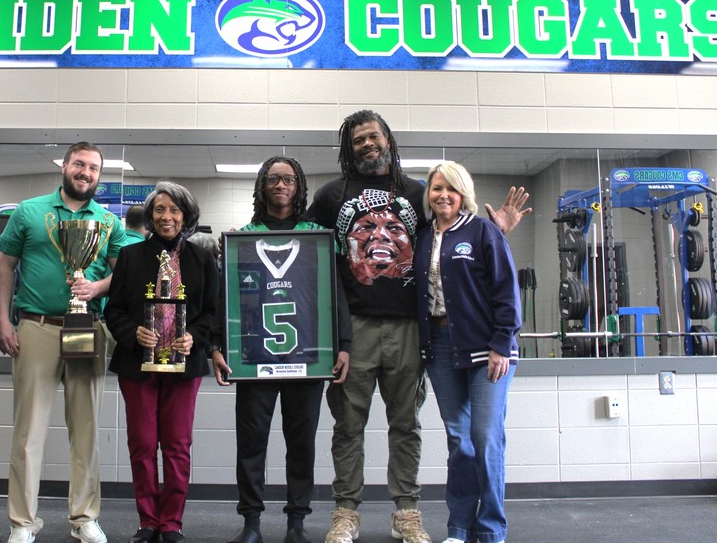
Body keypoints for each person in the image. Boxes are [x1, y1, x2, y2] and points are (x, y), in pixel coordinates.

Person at [306, 110, 530, 543]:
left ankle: (406, 511)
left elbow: (454, 236)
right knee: (347, 424)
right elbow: (300, 242)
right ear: (348, 148)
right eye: (358, 140)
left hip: (411, 327)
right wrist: (257, 238)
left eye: (374, 136)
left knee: (405, 424)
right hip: (353, 328)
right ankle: (346, 512)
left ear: (388, 140)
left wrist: (493, 231)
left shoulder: (417, 194)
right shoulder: (332, 194)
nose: (368, 144)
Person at [210, 157, 352, 543]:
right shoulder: (244, 236)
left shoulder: (316, 236)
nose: (281, 185)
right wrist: (218, 345)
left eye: (288, 179)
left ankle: (297, 523)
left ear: (299, 185)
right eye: (273, 178)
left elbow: (334, 293)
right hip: (254, 357)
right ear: (262, 185)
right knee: (251, 442)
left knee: (301, 442)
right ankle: (251, 522)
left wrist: (343, 344)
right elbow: (227, 298)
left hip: (307, 357)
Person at [0, 142, 126, 543]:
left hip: (87, 327)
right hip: (36, 326)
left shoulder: (109, 222)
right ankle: (22, 521)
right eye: (79, 164)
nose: (86, 172)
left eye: (94, 168)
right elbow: (3, 266)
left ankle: (84, 517)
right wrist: (2, 320)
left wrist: (94, 287)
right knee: (28, 430)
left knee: (85, 428)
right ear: (65, 166)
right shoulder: (29, 212)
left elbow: (120, 277)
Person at [104, 181, 217, 543]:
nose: (166, 217)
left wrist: (195, 337)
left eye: (174, 210)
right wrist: (132, 333)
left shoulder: (202, 259)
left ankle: (172, 523)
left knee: (177, 445)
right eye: (159, 210)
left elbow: (213, 313)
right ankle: (147, 521)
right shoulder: (131, 256)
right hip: (138, 365)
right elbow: (114, 310)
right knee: (141, 442)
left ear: (186, 216)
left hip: (185, 365)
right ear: (150, 216)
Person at [414, 162, 520, 543]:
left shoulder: (483, 231)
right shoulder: (423, 237)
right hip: (440, 347)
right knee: (459, 440)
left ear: (464, 195)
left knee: (486, 436)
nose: (443, 194)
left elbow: (506, 292)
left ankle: (491, 528)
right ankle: (459, 528)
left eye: (451, 189)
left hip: (488, 349)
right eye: (436, 187)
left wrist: (501, 344)